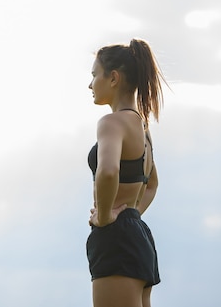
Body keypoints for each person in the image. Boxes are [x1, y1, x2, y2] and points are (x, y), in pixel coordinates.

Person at [86, 38, 166, 307]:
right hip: (139, 239)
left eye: (95, 75)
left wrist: (106, 217)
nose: (90, 84)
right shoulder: (142, 129)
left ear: (114, 78)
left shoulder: (111, 123)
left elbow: (108, 172)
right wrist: (130, 213)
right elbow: (152, 184)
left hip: (117, 242)